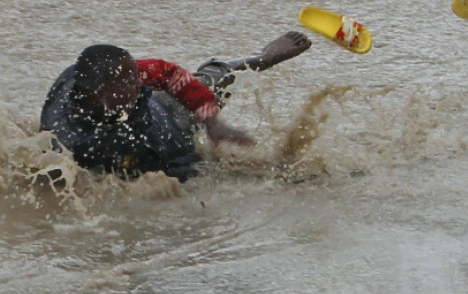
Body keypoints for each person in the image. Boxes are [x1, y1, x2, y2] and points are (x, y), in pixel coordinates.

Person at [40, 32, 312, 182]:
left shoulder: (113, 77)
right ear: (99, 93)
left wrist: (212, 121)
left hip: (170, 109)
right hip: (167, 136)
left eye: (136, 76)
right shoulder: (69, 136)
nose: (140, 83)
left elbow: (167, 74)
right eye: (128, 83)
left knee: (212, 79)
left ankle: (262, 56)